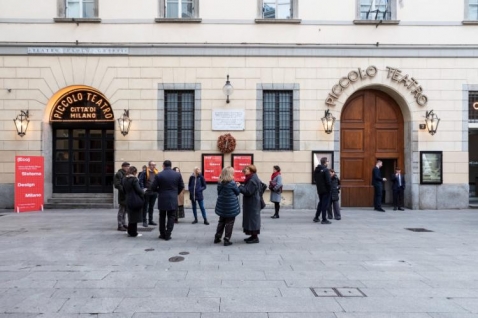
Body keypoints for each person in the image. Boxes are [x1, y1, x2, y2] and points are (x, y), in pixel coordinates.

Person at [151, 160, 184, 241]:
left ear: (163, 165)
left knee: (162, 216)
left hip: (162, 197)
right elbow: (181, 186)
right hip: (173, 197)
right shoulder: (177, 174)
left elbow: (153, 187)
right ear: (171, 165)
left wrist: (160, 191)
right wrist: (176, 192)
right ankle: (168, 234)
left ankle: (162, 234)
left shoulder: (159, 175)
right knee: (171, 216)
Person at [214, 167, 241, 246]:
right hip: (231, 206)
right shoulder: (232, 183)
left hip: (222, 205)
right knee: (229, 222)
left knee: (221, 221)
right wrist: (238, 186)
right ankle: (227, 239)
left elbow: (219, 193)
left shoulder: (220, 182)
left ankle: (217, 237)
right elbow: (237, 192)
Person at [237, 164, 262, 244]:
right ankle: (252, 236)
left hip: (252, 203)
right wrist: (241, 185)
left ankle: (255, 237)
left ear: (251, 170)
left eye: (246, 169)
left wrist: (239, 187)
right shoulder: (251, 177)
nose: (245, 171)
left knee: (252, 220)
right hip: (252, 202)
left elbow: (248, 191)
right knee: (251, 219)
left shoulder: (252, 180)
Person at [122, 166, 144, 237]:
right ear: (134, 172)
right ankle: (134, 233)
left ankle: (129, 231)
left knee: (130, 216)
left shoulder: (124, 179)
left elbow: (124, 190)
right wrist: (143, 192)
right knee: (135, 217)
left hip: (128, 198)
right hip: (135, 199)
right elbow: (138, 190)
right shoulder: (134, 179)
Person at [138, 161, 159, 227]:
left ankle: (150, 220)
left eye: (155, 165)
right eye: (153, 165)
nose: (154, 166)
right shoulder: (144, 172)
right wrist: (143, 189)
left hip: (154, 192)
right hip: (147, 192)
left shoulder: (156, 172)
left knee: (151, 207)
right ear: (149, 165)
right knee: (145, 207)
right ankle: (144, 221)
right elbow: (140, 181)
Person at [313, 157, 332, 224]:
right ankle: (324, 219)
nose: (328, 163)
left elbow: (315, 179)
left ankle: (316, 217)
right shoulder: (325, 170)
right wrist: (330, 189)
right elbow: (328, 181)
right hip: (326, 190)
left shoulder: (317, 169)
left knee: (321, 203)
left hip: (319, 189)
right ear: (325, 162)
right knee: (324, 204)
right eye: (327, 161)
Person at [114, 162, 130, 231]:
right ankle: (120, 225)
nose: (128, 168)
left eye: (128, 167)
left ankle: (124, 224)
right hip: (122, 195)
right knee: (121, 210)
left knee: (125, 211)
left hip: (127, 195)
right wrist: (124, 190)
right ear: (123, 167)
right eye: (127, 167)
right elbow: (117, 184)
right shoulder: (119, 174)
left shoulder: (126, 174)